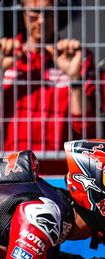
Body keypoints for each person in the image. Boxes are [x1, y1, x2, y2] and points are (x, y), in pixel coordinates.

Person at [0, 0, 95, 151]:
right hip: (12, 169)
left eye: (49, 12)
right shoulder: (5, 54)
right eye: (35, 12)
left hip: (57, 170)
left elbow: (86, 130)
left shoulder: (74, 56)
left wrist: (74, 78)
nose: (42, 20)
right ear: (22, 12)